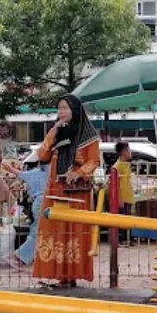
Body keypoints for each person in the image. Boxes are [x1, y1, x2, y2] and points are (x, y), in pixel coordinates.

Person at [32, 94, 100, 285]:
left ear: (75, 110)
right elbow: (42, 156)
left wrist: (78, 173)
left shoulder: (89, 135)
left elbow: (94, 160)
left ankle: (71, 276)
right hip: (55, 188)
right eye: (59, 108)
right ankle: (59, 275)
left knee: (73, 229)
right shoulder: (57, 131)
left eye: (65, 108)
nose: (61, 112)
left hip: (75, 191)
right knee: (53, 227)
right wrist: (53, 133)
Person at [5, 160, 49, 267]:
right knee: (41, 232)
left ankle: (21, 258)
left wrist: (9, 167)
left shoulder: (34, 173)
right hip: (45, 202)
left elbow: (19, 173)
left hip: (37, 202)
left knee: (36, 231)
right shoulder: (51, 173)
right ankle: (18, 256)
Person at [112, 141, 135, 244]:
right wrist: (119, 199)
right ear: (124, 152)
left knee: (128, 218)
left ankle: (129, 238)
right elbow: (116, 184)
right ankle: (123, 239)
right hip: (122, 198)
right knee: (122, 219)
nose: (130, 152)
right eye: (129, 150)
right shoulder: (117, 166)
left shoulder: (126, 165)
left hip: (128, 196)